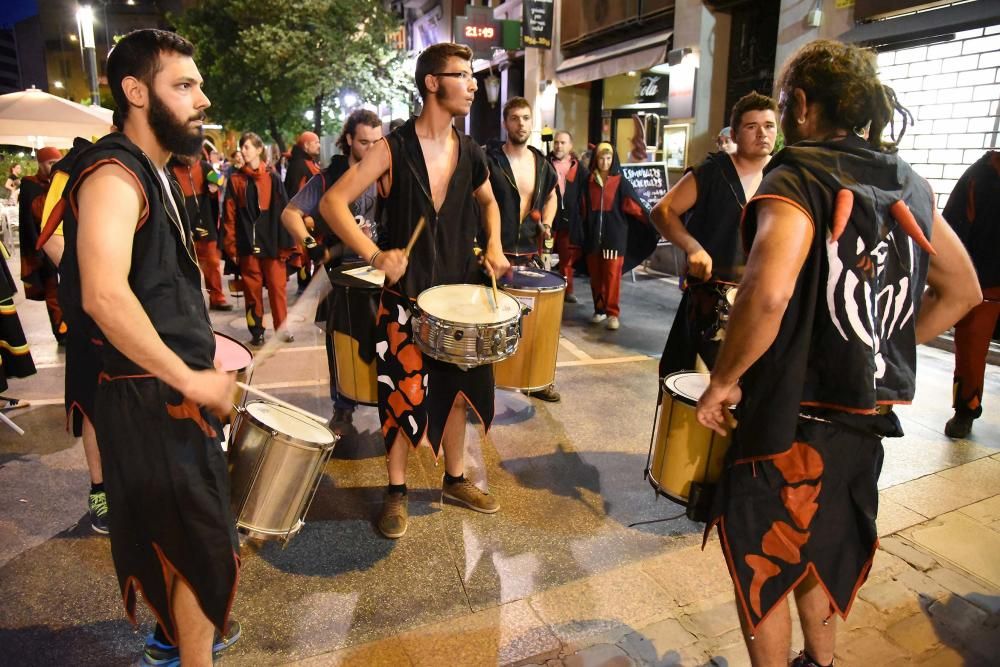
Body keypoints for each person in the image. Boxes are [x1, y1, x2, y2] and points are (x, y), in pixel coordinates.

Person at [695, 39, 982, 667]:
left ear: (799, 104)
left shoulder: (797, 176)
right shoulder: (908, 180)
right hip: (860, 422)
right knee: (824, 542)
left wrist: (722, 381)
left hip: (787, 418)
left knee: (765, 556)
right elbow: (963, 289)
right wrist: (876, 350)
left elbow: (767, 293)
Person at [56, 29, 242, 666]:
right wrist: (190, 381)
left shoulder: (159, 172)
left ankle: (183, 645)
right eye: (183, 85)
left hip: (164, 395)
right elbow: (104, 295)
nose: (201, 97)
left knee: (186, 545)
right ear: (137, 92)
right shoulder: (114, 171)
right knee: (193, 544)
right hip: (150, 402)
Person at [319, 42, 510, 539]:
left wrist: (494, 242)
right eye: (462, 75)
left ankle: (454, 478)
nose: (472, 84)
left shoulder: (471, 152)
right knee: (400, 394)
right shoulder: (392, 148)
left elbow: (488, 204)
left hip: (460, 300)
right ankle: (397, 491)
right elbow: (333, 204)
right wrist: (375, 254)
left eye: (472, 76)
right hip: (406, 300)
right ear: (432, 82)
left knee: (459, 395)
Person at [652, 92, 778, 377]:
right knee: (692, 388)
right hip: (709, 301)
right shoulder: (712, 172)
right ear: (734, 133)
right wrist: (692, 246)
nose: (762, 134)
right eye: (751, 126)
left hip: (763, 302)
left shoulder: (784, 174)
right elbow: (663, 211)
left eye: (769, 126)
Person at [281, 109, 383, 430]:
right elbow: (290, 214)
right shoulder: (327, 178)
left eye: (377, 142)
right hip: (342, 272)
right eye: (364, 142)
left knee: (386, 340)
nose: (371, 149)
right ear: (349, 139)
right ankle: (343, 408)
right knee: (341, 341)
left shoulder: (385, 175)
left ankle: (389, 402)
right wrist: (311, 244)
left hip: (379, 270)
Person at [36, 137, 112, 534]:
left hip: (142, 310)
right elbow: (49, 234)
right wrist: (92, 275)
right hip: (91, 310)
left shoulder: (156, 164)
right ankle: (100, 490)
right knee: (92, 399)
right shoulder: (74, 166)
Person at [484, 96, 561, 402]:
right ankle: (487, 381)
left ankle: (534, 378)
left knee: (531, 318)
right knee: (491, 319)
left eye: (526, 118)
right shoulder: (491, 161)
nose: (521, 124)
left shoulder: (542, 164)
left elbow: (552, 195)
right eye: (515, 118)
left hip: (528, 251)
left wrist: (548, 224)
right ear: (506, 123)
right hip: (493, 251)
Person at [940, 150, 1000, 439]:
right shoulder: (981, 173)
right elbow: (953, 227)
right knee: (972, 348)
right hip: (983, 282)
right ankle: (965, 408)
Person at [224, 131, 295, 346]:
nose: (242, 151)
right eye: (242, 147)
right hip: (247, 245)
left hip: (272, 243)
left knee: (277, 288)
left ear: (259, 149)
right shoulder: (235, 180)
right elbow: (229, 215)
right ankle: (257, 331)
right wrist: (231, 247)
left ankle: (282, 328)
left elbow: (284, 212)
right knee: (252, 292)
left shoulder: (272, 178)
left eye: (247, 147)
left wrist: (285, 245)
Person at [582, 143, 650, 330]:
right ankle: (599, 309)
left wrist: (653, 223)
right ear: (596, 159)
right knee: (595, 276)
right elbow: (582, 210)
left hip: (615, 238)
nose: (605, 162)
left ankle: (613, 313)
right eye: (601, 158)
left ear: (613, 159)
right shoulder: (588, 182)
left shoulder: (620, 182)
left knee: (612, 277)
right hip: (593, 238)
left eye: (608, 158)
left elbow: (634, 207)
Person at [169, 152, 231, 311]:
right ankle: (191, 303)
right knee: (186, 265)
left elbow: (221, 180)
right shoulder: (170, 169)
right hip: (184, 225)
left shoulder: (204, 167)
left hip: (206, 222)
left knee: (212, 262)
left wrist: (215, 186)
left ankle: (217, 298)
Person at [18, 146, 67, 344]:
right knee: (52, 290)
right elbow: (28, 221)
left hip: (62, 240)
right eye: (49, 163)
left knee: (67, 287)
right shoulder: (30, 185)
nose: (54, 166)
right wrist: (36, 250)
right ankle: (61, 330)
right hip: (41, 244)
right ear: (40, 163)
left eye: (56, 161)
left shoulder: (62, 180)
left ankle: (70, 326)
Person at [549, 130, 588, 305]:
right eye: (556, 142)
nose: (559, 145)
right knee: (545, 256)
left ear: (570, 146)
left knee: (567, 259)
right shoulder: (544, 163)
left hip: (570, 220)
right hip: (548, 219)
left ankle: (568, 290)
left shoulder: (579, 169)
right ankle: (545, 288)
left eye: (563, 142)